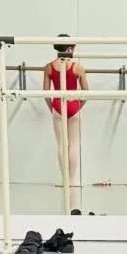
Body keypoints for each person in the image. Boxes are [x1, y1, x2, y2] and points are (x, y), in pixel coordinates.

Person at [43, 35, 87, 192]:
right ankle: (72, 179)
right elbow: (86, 91)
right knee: (74, 143)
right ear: (70, 49)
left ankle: (64, 179)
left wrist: (53, 107)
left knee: (62, 144)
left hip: (58, 105)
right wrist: (79, 105)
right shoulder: (77, 67)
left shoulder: (49, 67)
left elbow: (45, 92)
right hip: (74, 104)